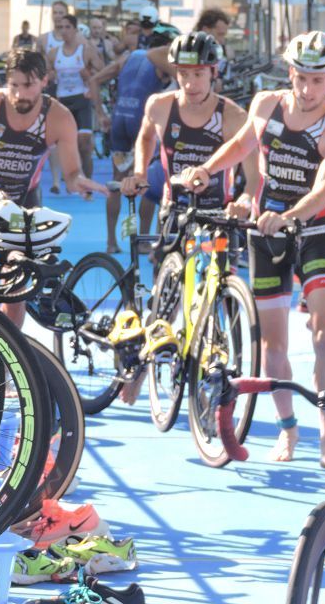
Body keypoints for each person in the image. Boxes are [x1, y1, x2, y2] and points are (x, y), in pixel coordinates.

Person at [182, 31, 325, 471]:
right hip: (265, 233)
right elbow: (242, 145)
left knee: (323, 335)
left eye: (317, 81)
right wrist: (207, 169)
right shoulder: (266, 104)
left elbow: (324, 190)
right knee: (272, 344)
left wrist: (291, 216)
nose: (306, 89)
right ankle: (288, 428)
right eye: (301, 77)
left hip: (314, 231)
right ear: (290, 74)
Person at [117, 30, 258, 403]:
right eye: (183, 74)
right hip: (174, 209)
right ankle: (139, 369)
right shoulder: (160, 105)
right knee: (165, 298)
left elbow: (255, 173)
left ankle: (213, 351)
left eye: (198, 74)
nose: (190, 82)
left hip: (217, 214)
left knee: (215, 287)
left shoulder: (232, 115)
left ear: (213, 73)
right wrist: (139, 169)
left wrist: (245, 197)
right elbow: (146, 136)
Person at [0, 49, 107, 326]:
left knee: (17, 286)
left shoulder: (59, 118)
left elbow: (72, 172)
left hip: (23, 202)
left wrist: (79, 182)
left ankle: (9, 352)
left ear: (44, 81)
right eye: (13, 85)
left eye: (27, 85)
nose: (19, 95)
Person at [86, 24, 178, 254]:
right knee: (146, 180)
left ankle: (111, 242)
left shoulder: (129, 57)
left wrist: (100, 113)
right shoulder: (163, 62)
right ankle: (144, 242)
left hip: (119, 120)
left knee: (117, 181)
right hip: (140, 122)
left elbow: (95, 80)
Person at [47, 13, 105, 180]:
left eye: (67, 27)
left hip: (82, 100)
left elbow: (103, 72)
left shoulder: (85, 51)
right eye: (61, 28)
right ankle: (70, 178)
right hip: (63, 102)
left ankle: (87, 183)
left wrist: (89, 77)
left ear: (75, 29)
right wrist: (50, 76)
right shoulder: (53, 53)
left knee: (85, 144)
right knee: (64, 143)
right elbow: (44, 76)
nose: (64, 31)